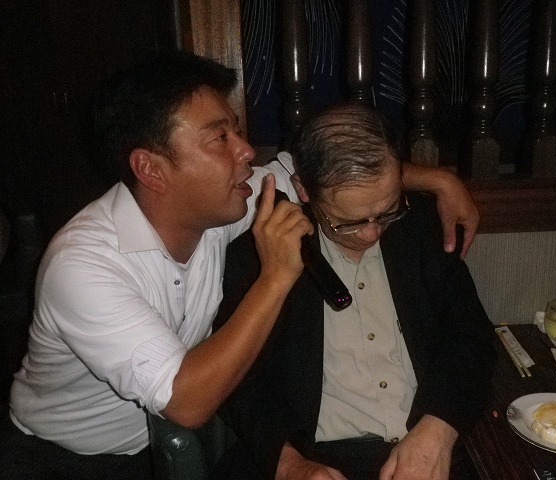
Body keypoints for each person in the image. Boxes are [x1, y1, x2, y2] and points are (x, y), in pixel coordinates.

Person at [0, 51, 478, 480]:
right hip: (69, 460)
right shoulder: (82, 268)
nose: (246, 150)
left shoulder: (226, 203)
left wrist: (441, 180)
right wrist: (276, 277)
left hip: (165, 444)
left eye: (236, 130)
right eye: (219, 137)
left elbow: (322, 171)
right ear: (151, 169)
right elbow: (188, 403)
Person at [218, 104, 496, 480]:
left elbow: (471, 340)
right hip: (318, 458)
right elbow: (241, 383)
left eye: (387, 211)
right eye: (348, 222)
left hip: (430, 441)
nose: (371, 233)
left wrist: (439, 428)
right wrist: (289, 464)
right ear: (303, 189)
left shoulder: (422, 226)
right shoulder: (259, 255)